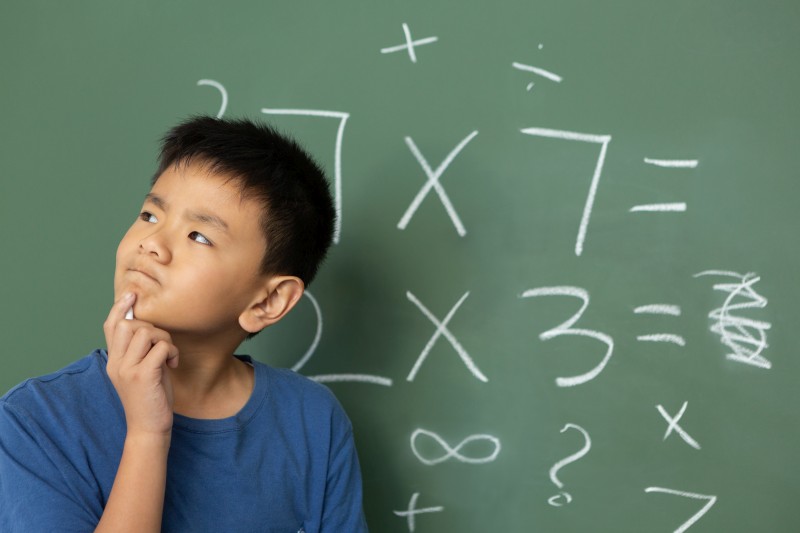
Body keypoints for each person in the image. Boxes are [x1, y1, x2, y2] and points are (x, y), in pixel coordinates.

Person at [0, 116, 368, 532]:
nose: (151, 244)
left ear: (268, 300)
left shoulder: (312, 421)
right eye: (150, 215)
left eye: (198, 236)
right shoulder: (34, 421)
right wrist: (147, 434)